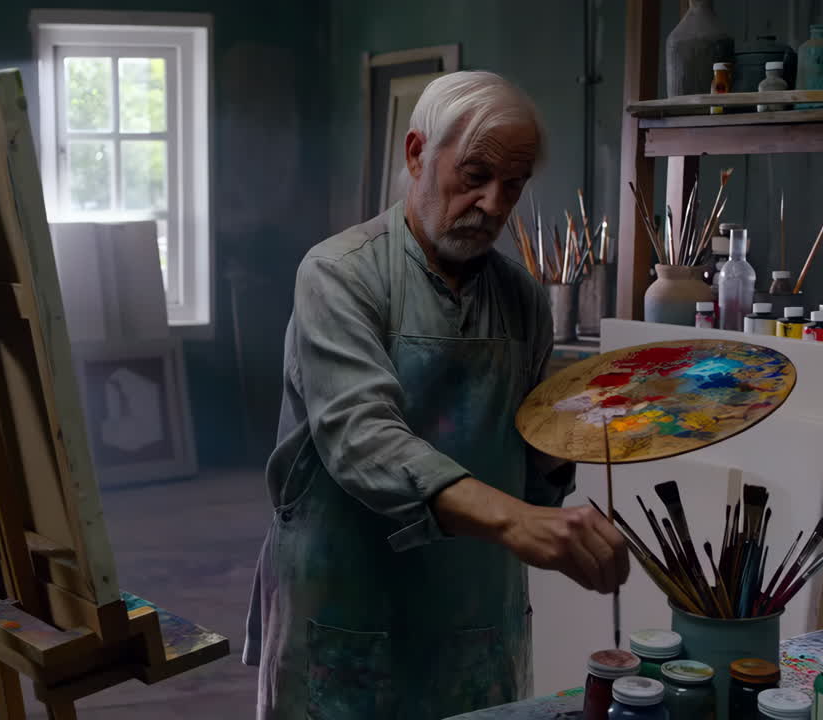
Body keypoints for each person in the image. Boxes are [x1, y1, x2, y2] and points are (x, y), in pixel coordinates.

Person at [242, 71, 630, 719]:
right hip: (352, 595)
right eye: (475, 175)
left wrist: (570, 441)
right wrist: (517, 521)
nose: (494, 204)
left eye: (515, 184)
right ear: (418, 153)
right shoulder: (339, 275)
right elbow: (362, 441)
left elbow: (536, 484)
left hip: (475, 607)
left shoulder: (524, 300)